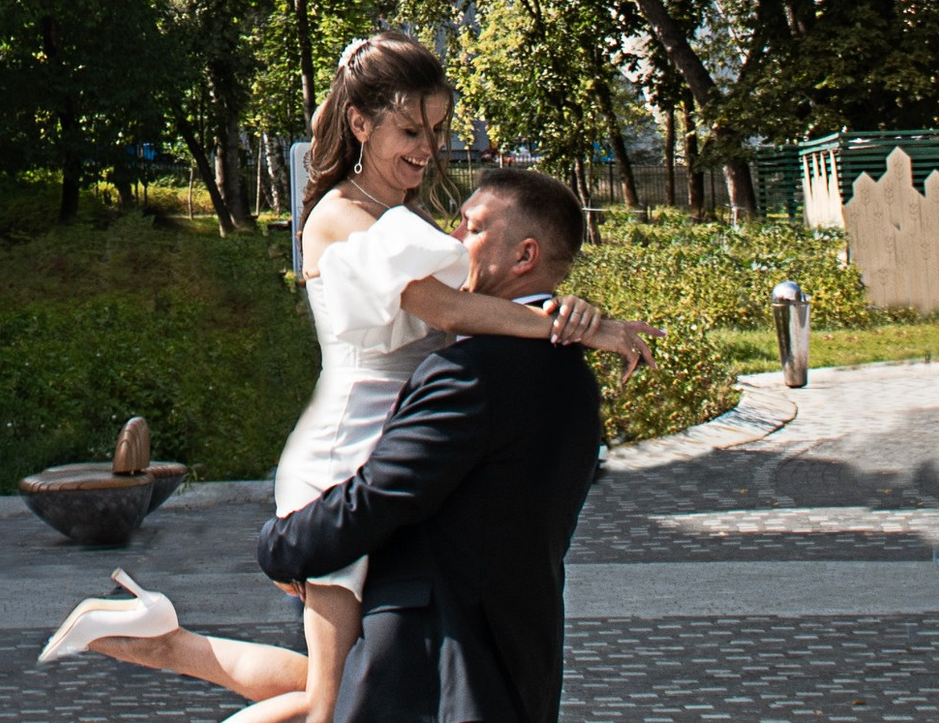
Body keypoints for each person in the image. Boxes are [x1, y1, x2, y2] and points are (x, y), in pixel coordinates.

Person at [38, 37, 651, 723]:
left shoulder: (401, 222)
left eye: (437, 130)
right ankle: (165, 642)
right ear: (361, 123)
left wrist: (562, 312)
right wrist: (569, 325)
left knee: (346, 685)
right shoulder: (342, 214)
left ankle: (164, 640)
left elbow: (474, 312)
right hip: (349, 449)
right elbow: (449, 311)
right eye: (411, 131)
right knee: (331, 706)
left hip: (385, 436)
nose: (428, 148)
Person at [253, 166, 608, 723]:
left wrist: (281, 545)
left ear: (525, 256)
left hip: (434, 671)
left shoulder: (472, 371)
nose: (453, 239)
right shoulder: (575, 375)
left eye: (473, 227)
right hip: (522, 660)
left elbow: (380, 496)